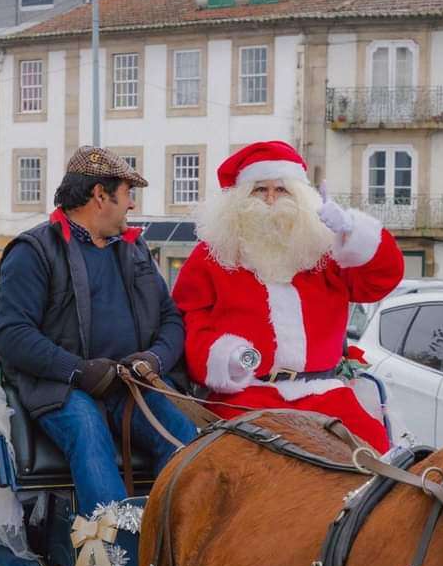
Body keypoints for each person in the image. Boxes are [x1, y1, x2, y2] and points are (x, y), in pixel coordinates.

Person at [0, 146, 198, 518]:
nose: (131, 206)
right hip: (61, 388)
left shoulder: (135, 250)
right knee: (88, 432)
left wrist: (154, 359)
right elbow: (12, 334)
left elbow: (171, 319)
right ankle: (113, 554)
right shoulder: (33, 251)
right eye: (127, 194)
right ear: (100, 196)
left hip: (132, 385)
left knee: (183, 431)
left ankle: (177, 536)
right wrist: (78, 370)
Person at [172, 140, 403, 451]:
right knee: (233, 464)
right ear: (239, 201)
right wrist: (223, 356)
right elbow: (191, 317)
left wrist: (352, 233)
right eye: (259, 190)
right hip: (247, 395)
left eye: (281, 190)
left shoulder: (326, 250)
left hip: (324, 392)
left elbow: (379, 281)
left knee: (378, 459)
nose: (270, 200)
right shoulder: (212, 255)